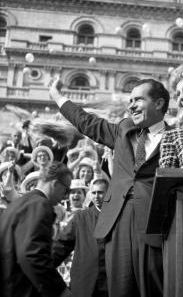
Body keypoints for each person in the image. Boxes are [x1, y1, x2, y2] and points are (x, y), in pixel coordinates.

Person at [49, 77, 170, 297]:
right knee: (120, 289)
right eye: (130, 100)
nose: (131, 105)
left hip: (153, 225)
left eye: (138, 99)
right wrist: (57, 96)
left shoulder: (176, 138)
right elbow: (86, 122)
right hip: (117, 224)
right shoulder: (122, 130)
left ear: (159, 103)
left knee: (153, 288)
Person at [0, 161, 72, 297]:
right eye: (66, 190)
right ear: (55, 184)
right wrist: (60, 290)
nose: (65, 196)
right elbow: (32, 254)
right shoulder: (40, 205)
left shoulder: (17, 204)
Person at [52, 176, 110, 297]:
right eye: (93, 193)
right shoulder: (81, 217)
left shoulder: (118, 216)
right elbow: (63, 244)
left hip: (111, 281)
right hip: (85, 281)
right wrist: (44, 263)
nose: (96, 196)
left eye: (100, 192)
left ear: (108, 193)